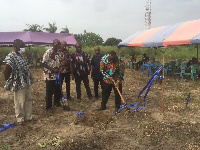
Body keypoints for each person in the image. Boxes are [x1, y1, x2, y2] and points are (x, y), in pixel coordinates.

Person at [3, 39, 33, 125]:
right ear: (15, 47)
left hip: (26, 82)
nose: (23, 48)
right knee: (20, 101)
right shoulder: (11, 56)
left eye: (23, 46)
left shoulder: (20, 55)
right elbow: (5, 70)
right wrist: (9, 81)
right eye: (21, 46)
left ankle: (28, 117)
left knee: (28, 99)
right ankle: (20, 119)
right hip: (18, 83)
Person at [42, 39, 61, 112]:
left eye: (59, 45)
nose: (58, 46)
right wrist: (52, 69)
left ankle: (56, 103)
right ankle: (48, 107)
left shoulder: (57, 53)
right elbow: (43, 63)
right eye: (57, 45)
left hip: (56, 75)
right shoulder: (49, 52)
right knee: (49, 92)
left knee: (57, 89)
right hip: (49, 75)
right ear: (53, 44)